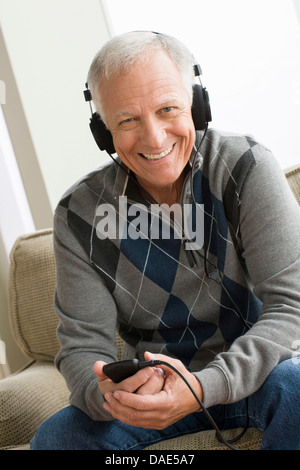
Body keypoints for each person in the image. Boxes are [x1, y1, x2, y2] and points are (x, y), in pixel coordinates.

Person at [31, 31, 300, 450]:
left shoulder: (246, 167)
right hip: (154, 395)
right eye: (127, 120)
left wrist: (204, 386)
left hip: (259, 379)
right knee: (59, 437)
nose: (154, 138)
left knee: (299, 383)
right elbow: (84, 349)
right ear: (103, 132)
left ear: (197, 104)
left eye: (167, 109)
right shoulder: (78, 215)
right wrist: (111, 395)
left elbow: (292, 307)